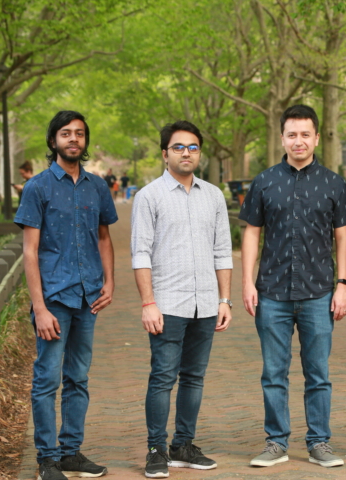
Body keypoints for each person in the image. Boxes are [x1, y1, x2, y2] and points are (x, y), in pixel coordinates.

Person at [239, 105, 346, 469]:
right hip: (272, 293)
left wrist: (342, 285)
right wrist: (247, 282)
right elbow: (252, 233)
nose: (299, 141)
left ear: (316, 137)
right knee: (273, 373)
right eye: (292, 134)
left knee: (317, 373)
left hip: (319, 292)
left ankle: (319, 442)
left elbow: (343, 238)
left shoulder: (334, 183)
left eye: (306, 134)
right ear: (282, 138)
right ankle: (276, 442)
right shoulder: (264, 181)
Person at [15, 111, 117, 480]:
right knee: (47, 380)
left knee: (78, 377)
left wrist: (110, 282)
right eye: (65, 133)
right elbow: (30, 251)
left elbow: (104, 238)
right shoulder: (38, 187)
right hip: (54, 299)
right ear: (53, 140)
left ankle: (71, 452)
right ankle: (47, 459)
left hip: (88, 298)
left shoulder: (97, 187)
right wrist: (39, 308)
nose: (73, 139)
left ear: (85, 141)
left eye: (79, 134)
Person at [131, 120, 233, 479]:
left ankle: (183, 445)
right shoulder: (149, 197)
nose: (186, 153)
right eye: (178, 147)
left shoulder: (214, 196)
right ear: (165, 153)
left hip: (205, 304)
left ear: (199, 153)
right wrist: (148, 303)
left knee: (194, 377)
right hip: (167, 305)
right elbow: (140, 254)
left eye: (192, 147)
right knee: (162, 377)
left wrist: (225, 300)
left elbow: (223, 251)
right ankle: (157, 449)